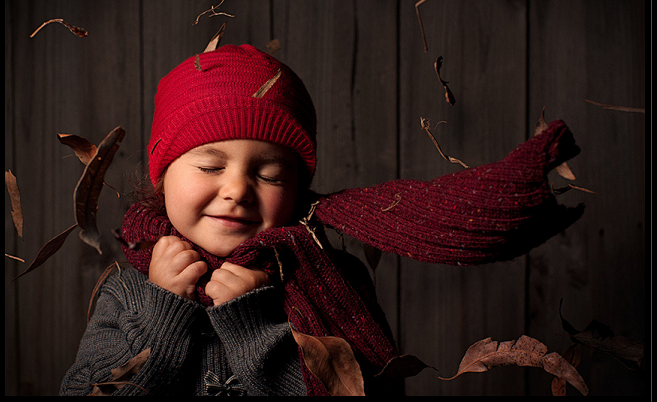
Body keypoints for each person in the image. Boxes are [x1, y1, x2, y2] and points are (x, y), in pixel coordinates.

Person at [60, 44, 583, 396]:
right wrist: (162, 311)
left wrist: (254, 325)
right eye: (210, 165)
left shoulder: (335, 281)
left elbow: (368, 390)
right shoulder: (130, 293)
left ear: (298, 188)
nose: (238, 189)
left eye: (268, 173)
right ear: (162, 178)